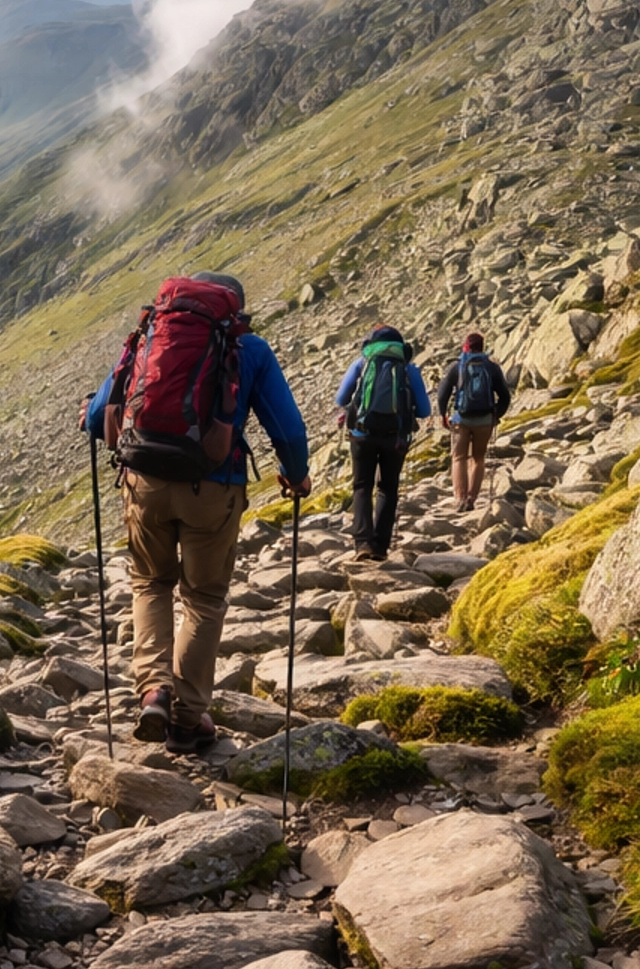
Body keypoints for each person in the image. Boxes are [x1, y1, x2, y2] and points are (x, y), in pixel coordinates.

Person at [83, 272, 310, 753]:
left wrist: (92, 410)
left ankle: (154, 690)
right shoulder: (248, 350)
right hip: (214, 486)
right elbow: (287, 428)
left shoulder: (151, 334)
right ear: (235, 312)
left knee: (150, 583)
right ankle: (188, 720)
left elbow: (97, 414)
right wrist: (297, 474)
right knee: (204, 599)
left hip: (143, 483)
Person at [334, 324, 432, 561]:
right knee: (388, 488)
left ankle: (362, 544)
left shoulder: (362, 364)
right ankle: (380, 547)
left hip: (362, 435)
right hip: (395, 438)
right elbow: (424, 410)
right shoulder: (408, 368)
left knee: (362, 486)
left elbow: (341, 398)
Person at [438, 330, 511, 511]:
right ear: (482, 346)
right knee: (478, 458)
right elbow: (505, 396)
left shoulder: (458, 367)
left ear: (466, 347)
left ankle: (460, 498)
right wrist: (496, 415)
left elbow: (442, 394)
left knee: (458, 458)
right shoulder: (492, 367)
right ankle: (471, 498)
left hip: (461, 420)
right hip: (485, 420)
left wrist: (442, 414)